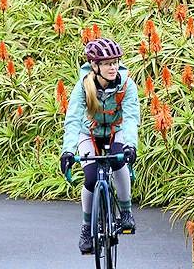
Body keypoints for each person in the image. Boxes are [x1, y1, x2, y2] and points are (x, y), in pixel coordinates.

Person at [59, 38, 141, 254]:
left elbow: (132, 117)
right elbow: (73, 119)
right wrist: (67, 151)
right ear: (95, 66)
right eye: (107, 63)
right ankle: (86, 228)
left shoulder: (127, 85)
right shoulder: (83, 86)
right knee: (91, 177)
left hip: (117, 131)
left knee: (118, 161)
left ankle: (125, 213)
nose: (113, 67)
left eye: (115, 62)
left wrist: (130, 146)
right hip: (90, 134)